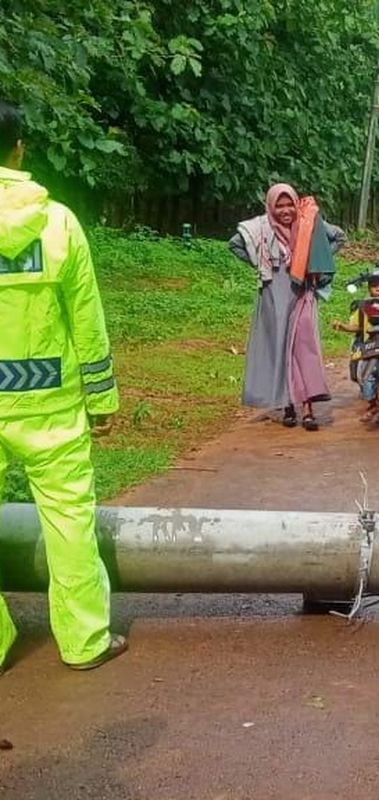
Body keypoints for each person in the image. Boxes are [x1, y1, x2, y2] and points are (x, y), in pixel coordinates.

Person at [0, 100, 127, 672]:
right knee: (70, 522)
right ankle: (84, 641)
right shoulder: (58, 223)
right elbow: (86, 321)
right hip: (51, 403)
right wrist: (101, 397)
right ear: (19, 149)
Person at [230, 184, 346, 431]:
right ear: (271, 207)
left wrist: (317, 260)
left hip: (303, 293)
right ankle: (288, 407)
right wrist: (260, 262)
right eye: (279, 206)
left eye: (289, 204)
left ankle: (308, 409)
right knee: (281, 348)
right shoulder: (260, 227)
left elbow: (339, 237)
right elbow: (235, 244)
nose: (285, 211)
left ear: (296, 204)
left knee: (304, 347)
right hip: (274, 295)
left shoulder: (308, 223)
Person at [331, 269, 379, 422]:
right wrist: (343, 326)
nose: (378, 289)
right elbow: (357, 326)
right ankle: (374, 405)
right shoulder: (364, 307)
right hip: (370, 349)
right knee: (365, 378)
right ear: (369, 288)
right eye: (374, 286)